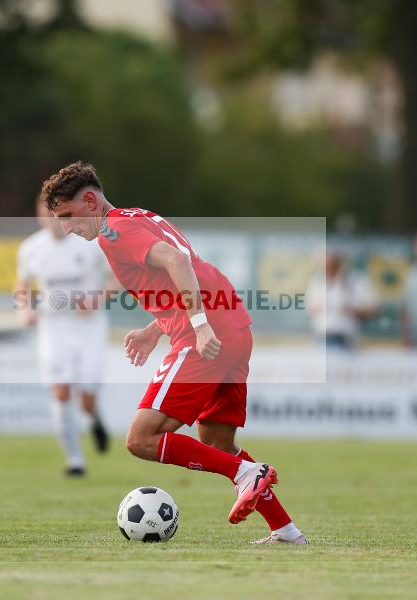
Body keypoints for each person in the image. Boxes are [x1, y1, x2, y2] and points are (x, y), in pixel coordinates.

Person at [41, 161, 306, 545]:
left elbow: (178, 262)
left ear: (88, 200)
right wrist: (154, 329)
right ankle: (286, 531)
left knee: (141, 438)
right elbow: (179, 272)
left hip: (207, 335)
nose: (66, 227)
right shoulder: (138, 215)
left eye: (67, 216)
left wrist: (198, 325)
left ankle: (246, 475)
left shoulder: (114, 231)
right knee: (216, 442)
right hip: (233, 326)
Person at [17, 201, 112, 477]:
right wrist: (26, 309)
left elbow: (116, 278)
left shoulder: (89, 243)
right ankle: (75, 461)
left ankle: (95, 418)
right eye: (45, 213)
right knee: (60, 391)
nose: (51, 219)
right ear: (39, 216)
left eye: (56, 213)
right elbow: (22, 283)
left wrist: (98, 299)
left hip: (89, 326)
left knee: (86, 399)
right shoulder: (31, 248)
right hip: (54, 326)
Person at [307, 252, 379, 350]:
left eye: (330, 266)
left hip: (347, 339)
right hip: (321, 337)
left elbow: (373, 309)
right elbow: (310, 308)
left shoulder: (356, 280)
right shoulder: (317, 280)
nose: (326, 269)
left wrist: (352, 311)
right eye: (324, 266)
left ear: (338, 264)